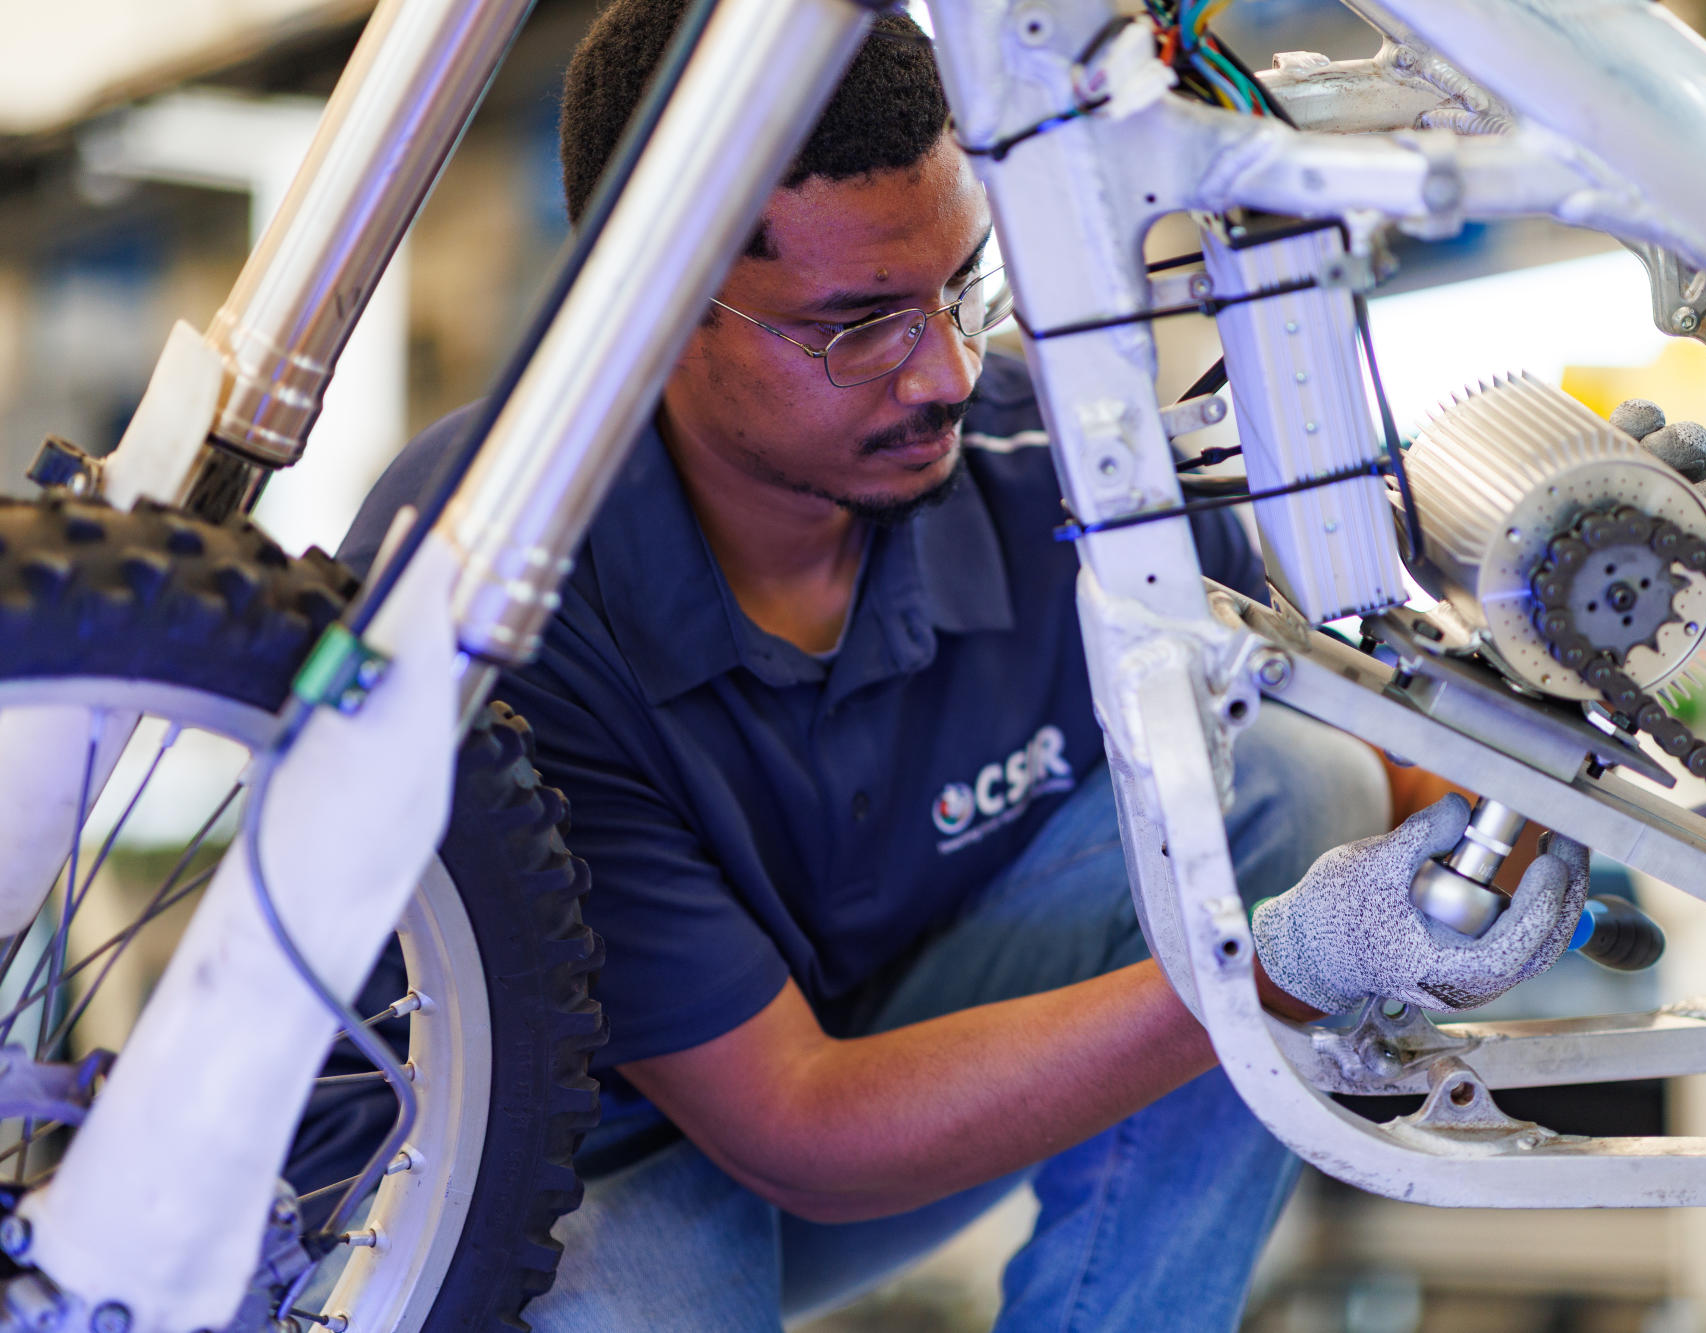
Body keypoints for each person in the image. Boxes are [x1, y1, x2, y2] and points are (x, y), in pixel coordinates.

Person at [338, 6, 1604, 1327]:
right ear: (649, 306)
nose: (945, 369)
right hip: (513, 1181)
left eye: (963, 286)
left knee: (1299, 783)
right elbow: (800, 1128)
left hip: (848, 1077)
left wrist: (1486, 846)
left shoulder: (1049, 470)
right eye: (860, 326)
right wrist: (1292, 964)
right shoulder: (495, 573)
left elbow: (1348, 751)